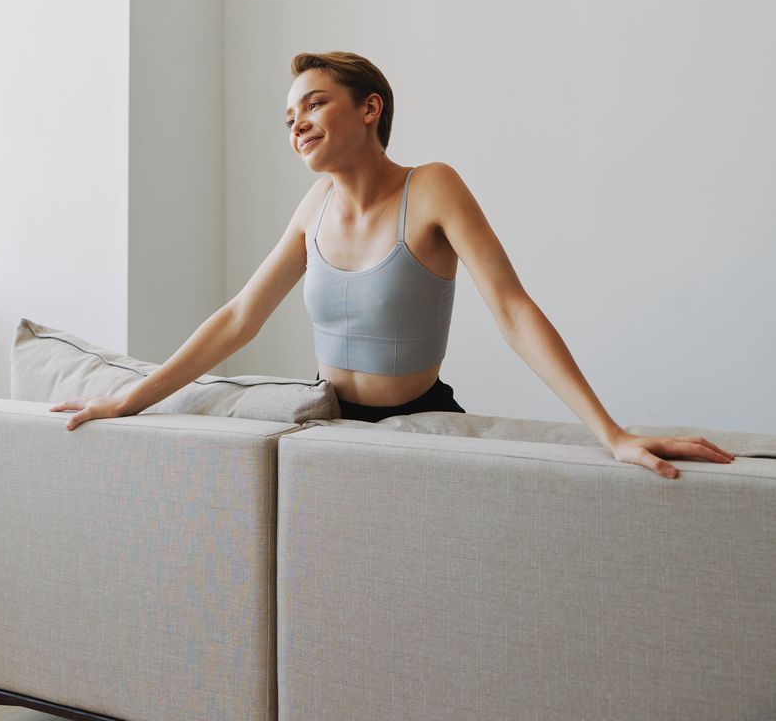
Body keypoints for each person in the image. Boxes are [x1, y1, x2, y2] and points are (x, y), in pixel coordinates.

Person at [52, 50, 736, 480]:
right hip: (325, 425)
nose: (296, 123)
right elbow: (238, 318)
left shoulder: (431, 186)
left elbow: (513, 310)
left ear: (369, 109)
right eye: (288, 115)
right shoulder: (313, 206)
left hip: (420, 424)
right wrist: (126, 400)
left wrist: (611, 434)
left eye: (314, 102)